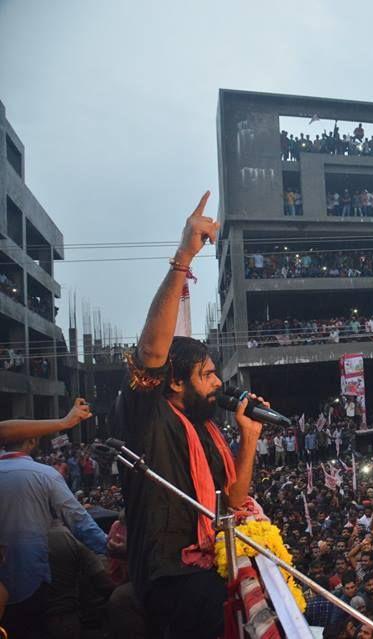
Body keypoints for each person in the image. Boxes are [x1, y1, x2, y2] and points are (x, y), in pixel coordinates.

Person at [109, 191, 270, 639]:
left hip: (210, 564)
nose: (219, 384)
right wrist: (183, 257)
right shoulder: (149, 417)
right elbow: (149, 354)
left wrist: (250, 436)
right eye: (208, 375)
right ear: (175, 382)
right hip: (171, 577)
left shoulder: (209, 431)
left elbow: (233, 502)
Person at [0, 400, 107, 638]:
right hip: (31, 584)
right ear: (32, 440)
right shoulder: (45, 475)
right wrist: (111, 548)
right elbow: (79, 521)